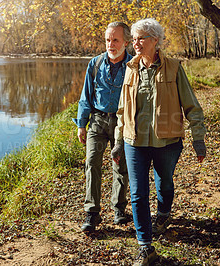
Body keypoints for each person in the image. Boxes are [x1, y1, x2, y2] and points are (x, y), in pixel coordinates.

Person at [111, 18, 207, 265]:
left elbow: (192, 106)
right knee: (138, 193)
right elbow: (122, 110)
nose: (136, 43)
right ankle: (145, 246)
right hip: (135, 142)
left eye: (141, 38)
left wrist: (199, 139)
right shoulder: (130, 68)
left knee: (164, 182)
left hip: (168, 141)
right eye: (134, 38)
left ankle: (163, 213)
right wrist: (119, 141)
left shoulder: (174, 68)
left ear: (155, 40)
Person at [73, 21, 133, 232]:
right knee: (91, 162)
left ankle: (119, 209)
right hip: (97, 121)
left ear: (126, 42)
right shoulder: (95, 64)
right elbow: (85, 96)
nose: (110, 44)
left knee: (120, 166)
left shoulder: (134, 65)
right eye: (108, 40)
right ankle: (92, 213)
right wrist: (82, 124)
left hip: (122, 122)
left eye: (115, 40)